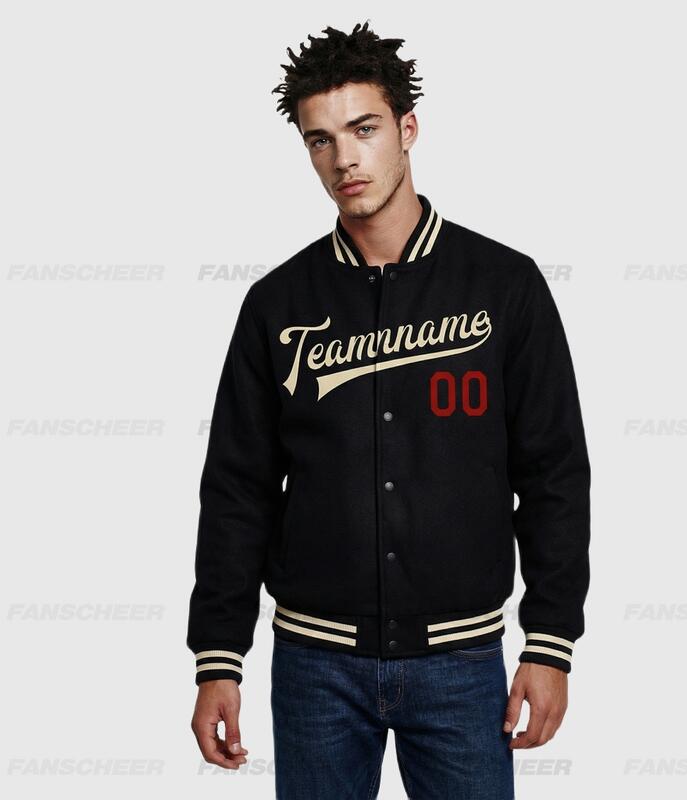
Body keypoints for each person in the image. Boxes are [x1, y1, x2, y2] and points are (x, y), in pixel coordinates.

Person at [188, 20, 591, 799]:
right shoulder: (277, 305)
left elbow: (553, 475)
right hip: (314, 667)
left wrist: (549, 641)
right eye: (320, 139)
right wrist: (218, 657)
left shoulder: (504, 287)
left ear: (408, 129)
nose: (343, 158)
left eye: (363, 129)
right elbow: (238, 488)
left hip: (462, 665)